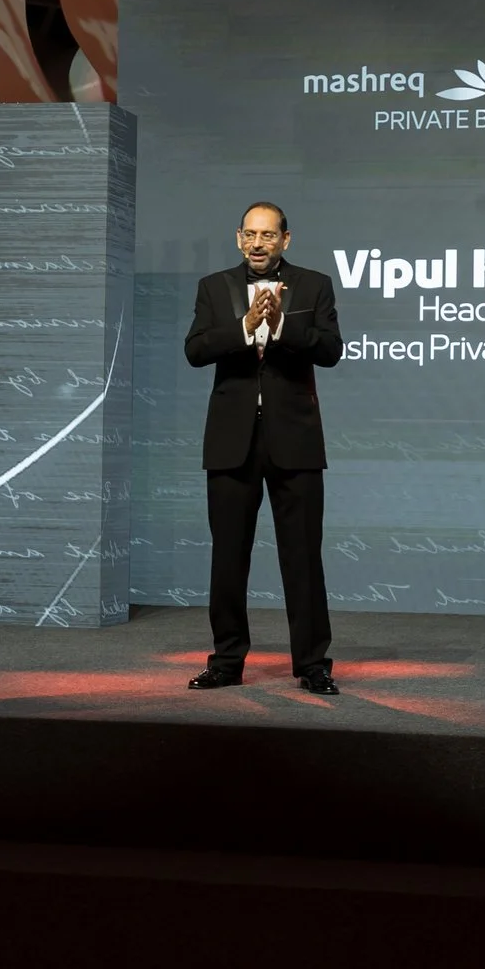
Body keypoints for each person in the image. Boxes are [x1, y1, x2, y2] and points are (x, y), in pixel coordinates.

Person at [183, 201, 344, 694]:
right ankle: (227, 662)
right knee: (228, 558)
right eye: (250, 234)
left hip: (294, 442)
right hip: (232, 444)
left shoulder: (314, 285)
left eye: (268, 235)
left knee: (302, 558)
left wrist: (282, 325)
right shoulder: (214, 287)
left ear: (285, 240)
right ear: (238, 238)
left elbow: (332, 350)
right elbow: (195, 350)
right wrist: (246, 325)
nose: (258, 243)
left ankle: (313, 665)